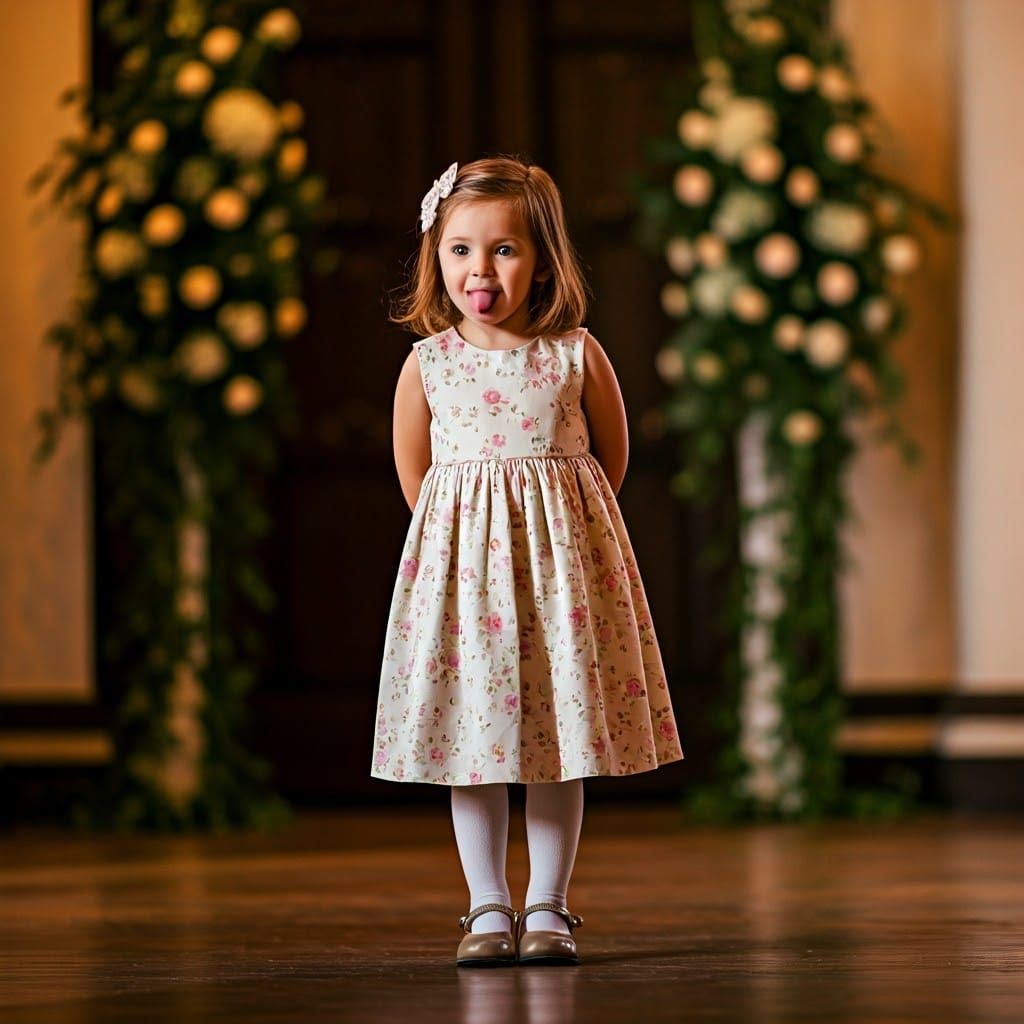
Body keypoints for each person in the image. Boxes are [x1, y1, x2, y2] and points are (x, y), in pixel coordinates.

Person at [371, 156, 684, 967]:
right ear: (436, 260)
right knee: (471, 747)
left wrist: (554, 538)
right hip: (467, 589)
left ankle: (547, 904)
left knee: (558, 737)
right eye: (461, 251)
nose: (481, 271)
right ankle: (485, 907)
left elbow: (608, 464)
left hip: (558, 588)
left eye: (505, 250)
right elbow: (418, 477)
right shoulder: (430, 364)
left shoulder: (575, 355)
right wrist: (465, 550)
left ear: (542, 258)